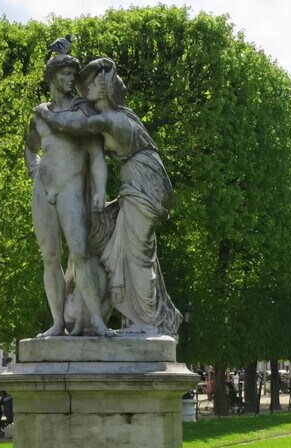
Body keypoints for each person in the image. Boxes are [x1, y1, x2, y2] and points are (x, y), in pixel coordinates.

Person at [35, 57, 181, 336]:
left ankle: (146, 321)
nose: (84, 87)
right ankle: (128, 316)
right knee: (117, 240)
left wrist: (43, 111)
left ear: (104, 88)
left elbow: (68, 126)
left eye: (91, 83)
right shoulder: (119, 114)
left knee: (137, 252)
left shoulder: (110, 119)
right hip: (138, 181)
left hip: (144, 183)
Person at [25, 50, 110, 337]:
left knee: (80, 253)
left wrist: (100, 190)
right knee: (50, 258)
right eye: (64, 73)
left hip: (72, 189)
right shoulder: (40, 113)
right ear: (51, 77)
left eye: (73, 74)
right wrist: (34, 170)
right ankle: (58, 323)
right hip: (43, 191)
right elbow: (30, 147)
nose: (70, 78)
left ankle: (97, 320)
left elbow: (97, 154)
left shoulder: (82, 111)